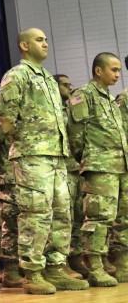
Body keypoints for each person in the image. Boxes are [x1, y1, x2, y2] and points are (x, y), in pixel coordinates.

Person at [0, 28, 89, 294]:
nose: (46, 43)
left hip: (57, 156)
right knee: (36, 213)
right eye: (39, 39)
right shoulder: (17, 75)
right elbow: (6, 116)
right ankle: (32, 272)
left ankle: (55, 268)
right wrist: (24, 143)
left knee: (62, 214)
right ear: (24, 45)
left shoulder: (48, 79)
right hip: (33, 156)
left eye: (46, 39)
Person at [67, 52, 128, 287]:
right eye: (113, 70)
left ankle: (122, 263)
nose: (117, 74)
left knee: (122, 218)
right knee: (99, 218)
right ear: (98, 70)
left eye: (119, 70)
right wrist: (89, 159)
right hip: (100, 167)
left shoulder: (110, 100)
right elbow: (76, 134)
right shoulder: (84, 95)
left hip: (119, 166)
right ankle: (96, 266)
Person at [0, 99, 24, 288]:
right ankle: (11, 270)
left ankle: (24, 267)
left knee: (26, 225)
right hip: (8, 179)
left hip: (24, 177)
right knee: (11, 225)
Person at [52, 74, 87, 279]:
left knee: (76, 218)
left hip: (75, 169)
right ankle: (60, 261)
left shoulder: (69, 111)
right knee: (61, 218)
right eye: (65, 85)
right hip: (59, 169)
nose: (69, 88)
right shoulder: (51, 110)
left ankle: (75, 259)